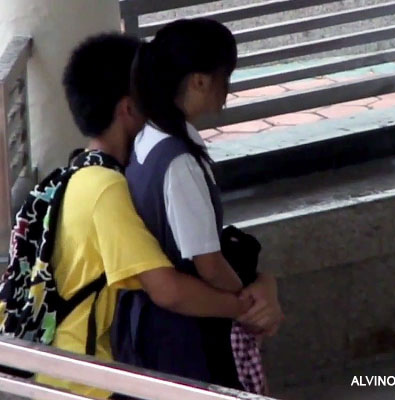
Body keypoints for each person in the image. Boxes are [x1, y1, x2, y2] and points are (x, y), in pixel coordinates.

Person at [35, 33, 256, 399]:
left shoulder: (87, 169)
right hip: (86, 379)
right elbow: (167, 289)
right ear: (129, 108)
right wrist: (245, 307)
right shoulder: (107, 189)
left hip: (82, 368)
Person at [121, 18, 283, 393]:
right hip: (187, 334)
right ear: (199, 81)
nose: (228, 88)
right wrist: (248, 301)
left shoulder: (151, 139)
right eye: (225, 76)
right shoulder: (180, 162)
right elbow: (207, 263)